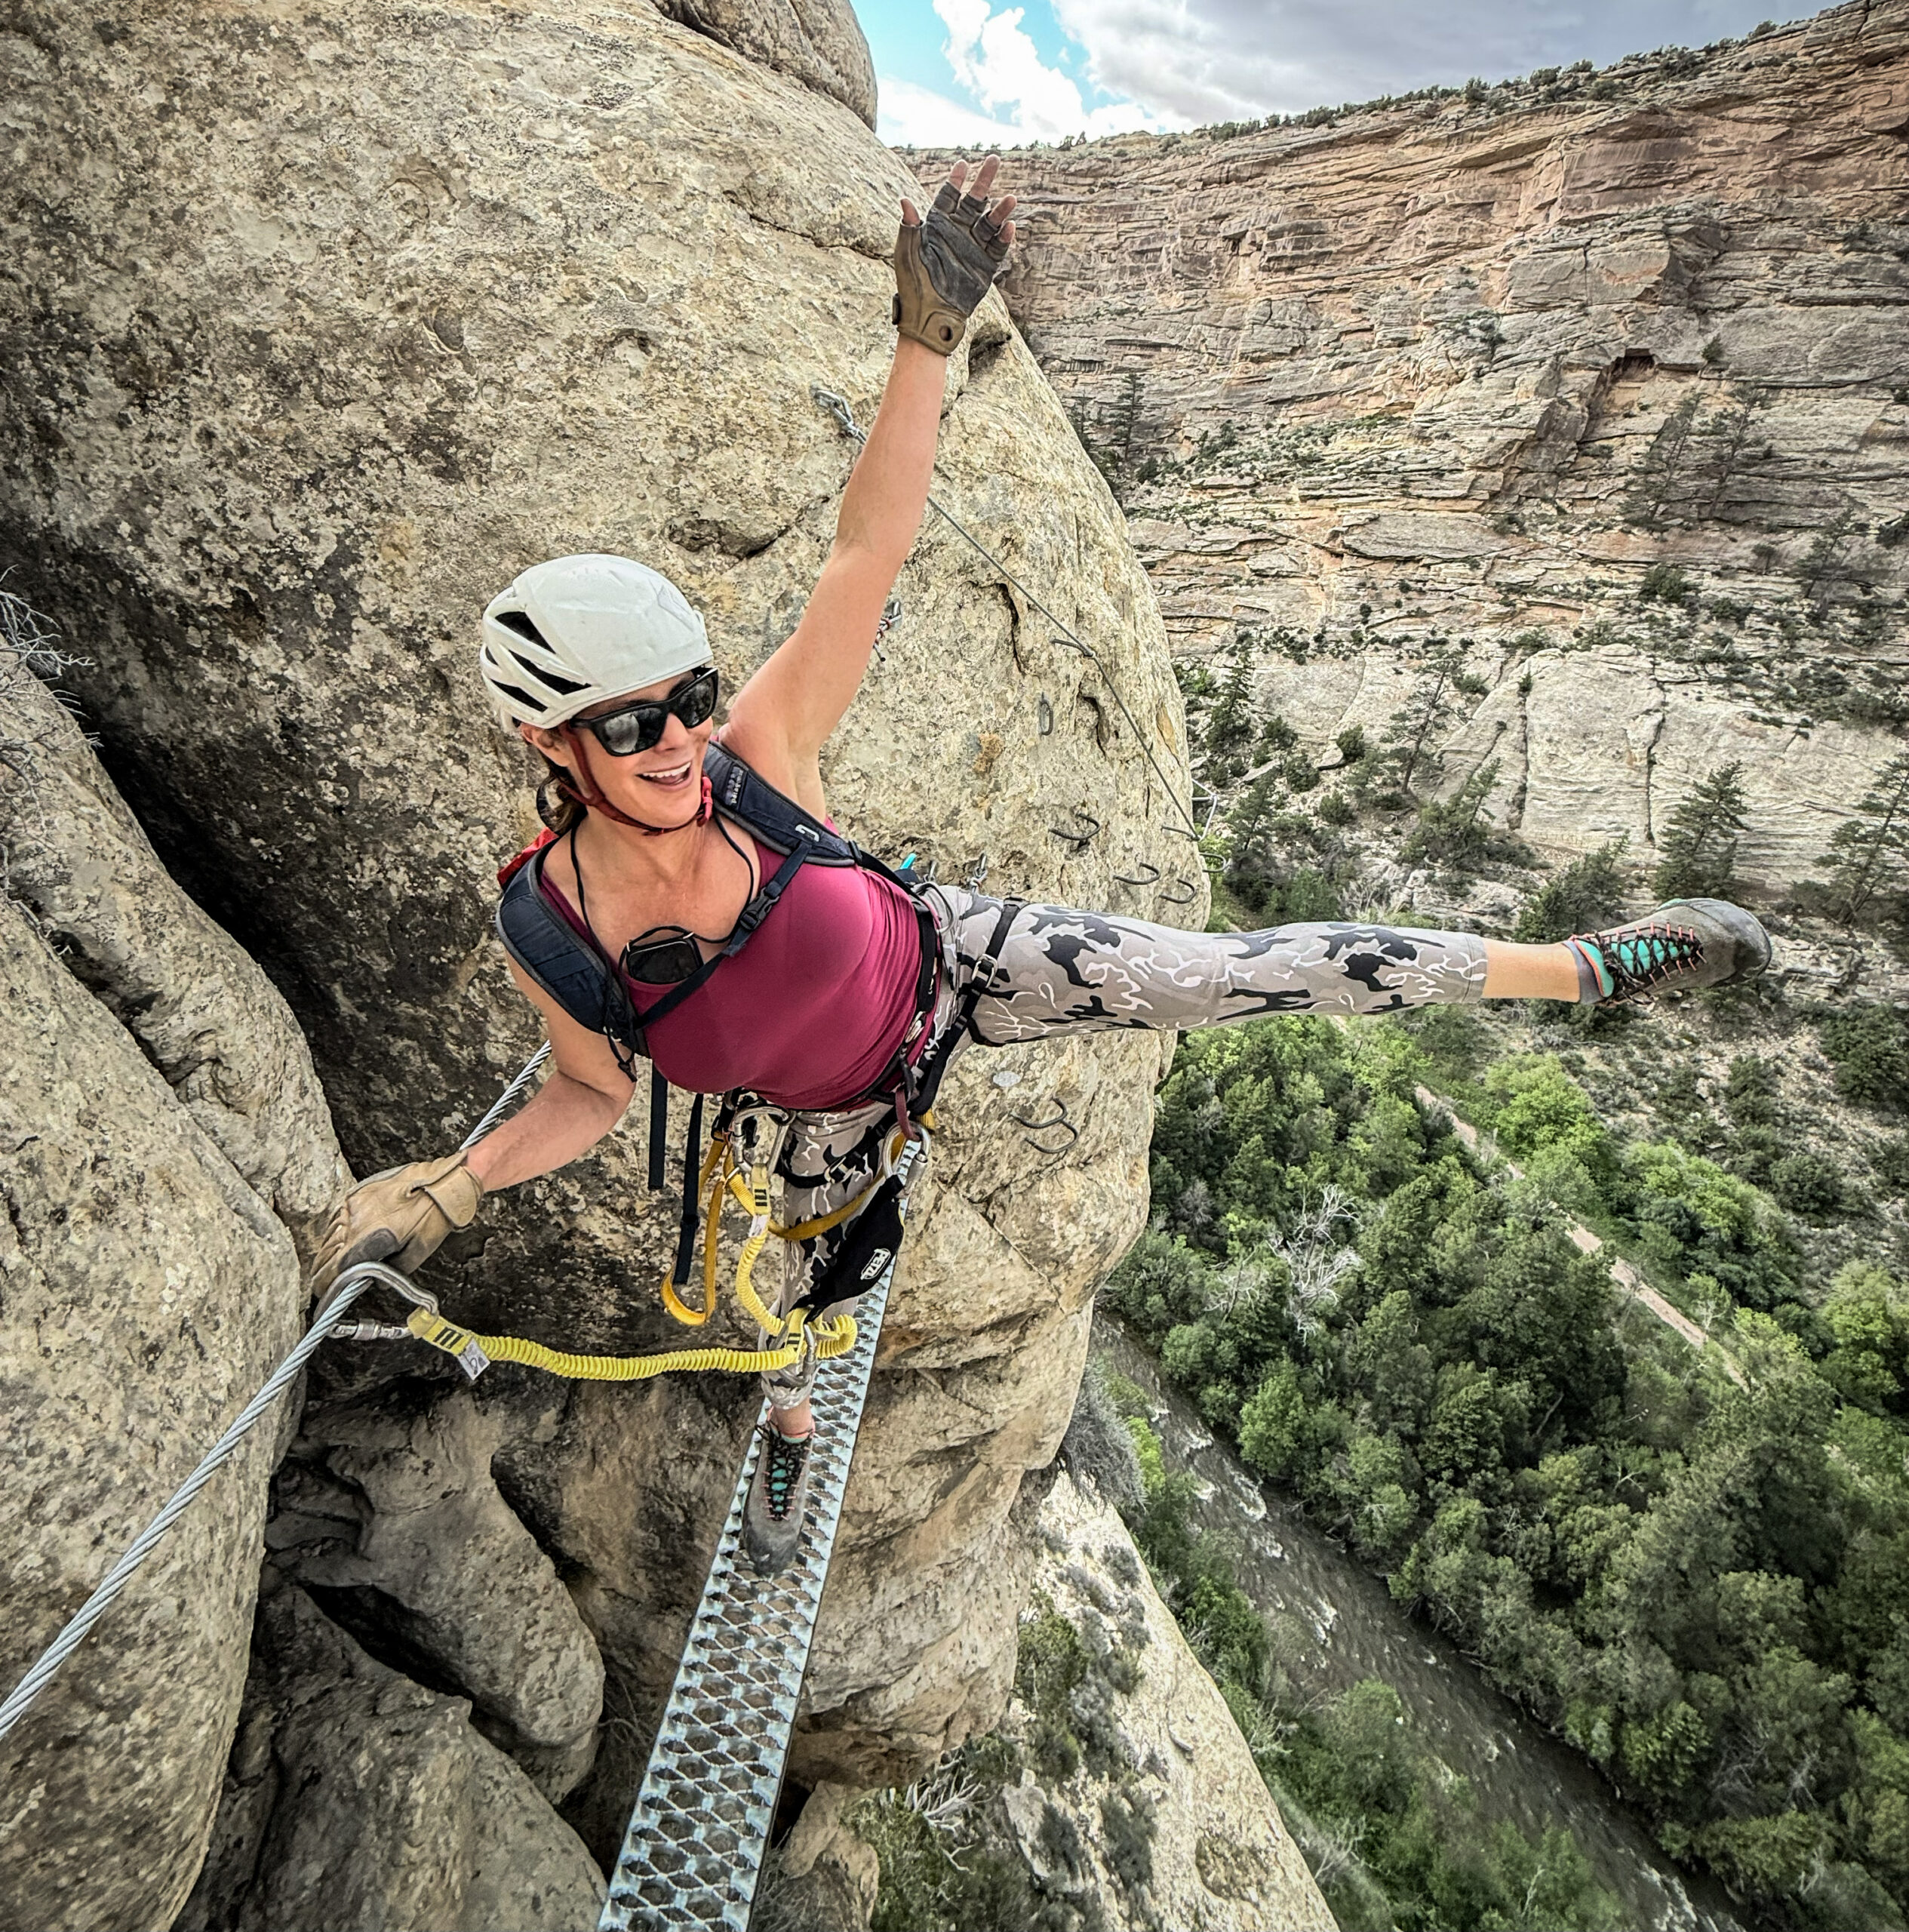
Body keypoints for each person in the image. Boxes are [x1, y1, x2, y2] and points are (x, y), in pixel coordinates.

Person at [313, 156, 1772, 1577]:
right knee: (820, 1290)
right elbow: (586, 1089)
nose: (679, 738)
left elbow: (862, 554)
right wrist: (451, 1188)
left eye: (687, 697)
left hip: (955, 956)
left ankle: (1589, 967)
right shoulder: (551, 927)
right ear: (548, 744)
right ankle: (792, 1418)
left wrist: (922, 339)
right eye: (633, 723)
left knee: (1241, 972)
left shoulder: (756, 761)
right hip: (832, 1109)